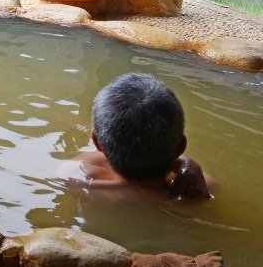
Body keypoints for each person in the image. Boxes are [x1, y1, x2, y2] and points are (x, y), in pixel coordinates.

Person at [70, 72, 211, 200]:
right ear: (181, 147)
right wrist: (187, 163)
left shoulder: (75, 179)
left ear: (97, 142)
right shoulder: (197, 189)